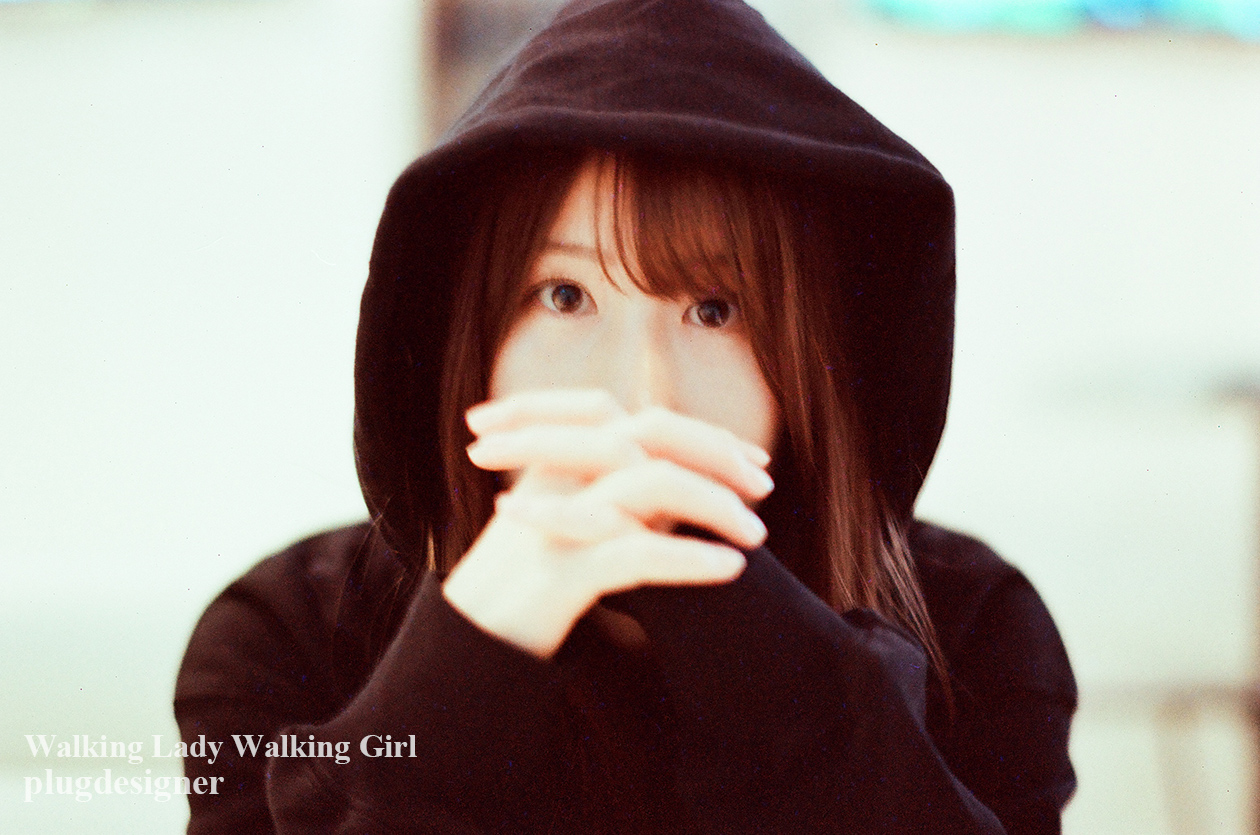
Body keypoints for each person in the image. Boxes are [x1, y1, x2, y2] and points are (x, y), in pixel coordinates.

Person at [174, 0, 1077, 832]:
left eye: (715, 310)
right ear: (466, 339)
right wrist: (467, 655)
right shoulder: (289, 634)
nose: (639, 395)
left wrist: (779, 657)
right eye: (565, 296)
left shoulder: (972, 627)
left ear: (814, 360)